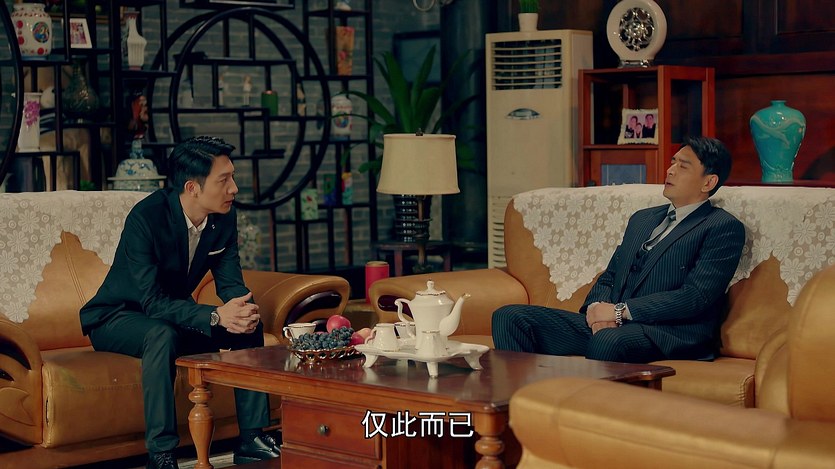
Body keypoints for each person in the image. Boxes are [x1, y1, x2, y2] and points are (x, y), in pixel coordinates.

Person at [79, 137, 280, 469]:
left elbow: (231, 285)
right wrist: (215, 316)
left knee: (247, 323)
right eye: (224, 180)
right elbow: (152, 301)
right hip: (117, 317)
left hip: (169, 314)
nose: (234, 188)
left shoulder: (223, 217)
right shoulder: (147, 218)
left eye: (232, 177)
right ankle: (162, 454)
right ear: (193, 188)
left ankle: (252, 439)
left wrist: (240, 311)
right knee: (161, 335)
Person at [492, 136, 745, 364]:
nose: (670, 170)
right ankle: (523, 399)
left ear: (708, 182)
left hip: (667, 333)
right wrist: (596, 310)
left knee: (608, 341)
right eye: (672, 162)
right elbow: (611, 275)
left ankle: (580, 402)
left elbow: (695, 296)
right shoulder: (642, 219)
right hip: (617, 326)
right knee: (510, 317)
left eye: (683, 166)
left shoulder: (722, 227)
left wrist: (619, 312)